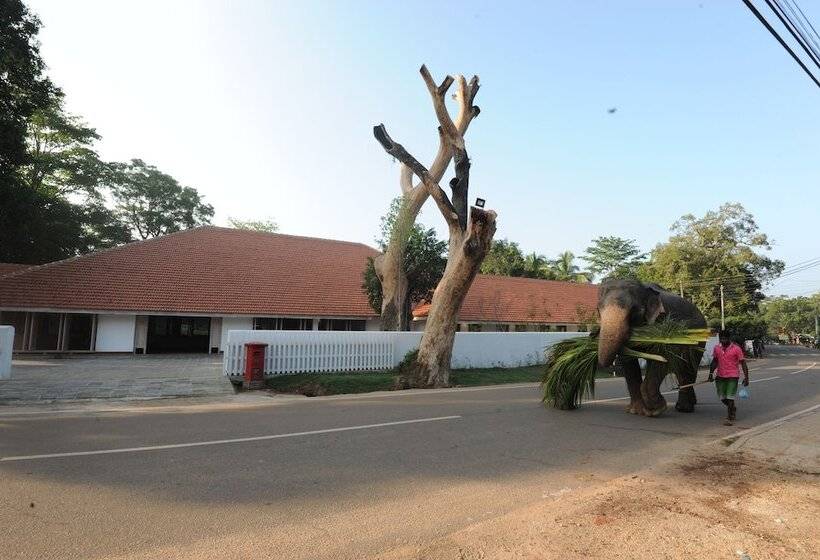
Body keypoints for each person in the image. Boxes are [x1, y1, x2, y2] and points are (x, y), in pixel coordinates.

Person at [708, 329, 750, 426]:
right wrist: (710, 374)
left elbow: (743, 363)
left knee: (730, 397)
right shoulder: (716, 348)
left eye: (725, 339)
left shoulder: (736, 348)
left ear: (728, 338)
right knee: (722, 398)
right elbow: (715, 361)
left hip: (733, 376)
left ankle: (729, 417)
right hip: (720, 376)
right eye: (721, 339)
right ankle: (732, 408)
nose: (723, 341)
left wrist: (746, 377)